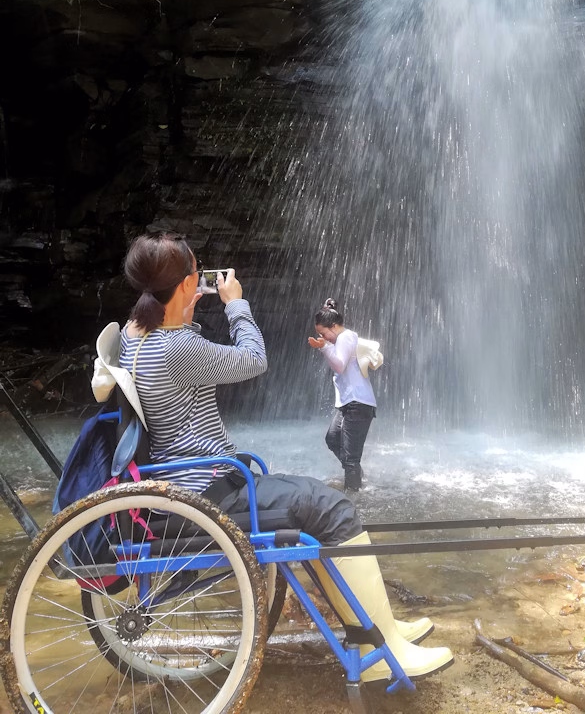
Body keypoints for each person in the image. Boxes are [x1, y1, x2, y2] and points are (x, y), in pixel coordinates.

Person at [118, 229, 451, 681]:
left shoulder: (136, 337)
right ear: (184, 285)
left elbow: (178, 359)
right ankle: (378, 651)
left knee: (314, 502)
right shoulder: (178, 347)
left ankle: (378, 625)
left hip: (189, 485)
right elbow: (254, 359)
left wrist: (184, 313)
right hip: (210, 492)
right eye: (196, 276)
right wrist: (236, 304)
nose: (202, 281)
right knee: (332, 507)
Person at [308, 298, 376, 493]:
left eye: (324, 333)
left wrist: (324, 347)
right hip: (348, 403)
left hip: (358, 402)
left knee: (351, 456)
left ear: (335, 326)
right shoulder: (340, 340)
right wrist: (325, 346)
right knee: (332, 439)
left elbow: (339, 365)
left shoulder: (346, 337)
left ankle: (353, 496)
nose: (323, 337)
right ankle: (354, 472)